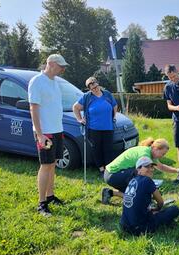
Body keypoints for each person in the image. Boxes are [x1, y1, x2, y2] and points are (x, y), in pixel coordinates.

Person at [28, 54, 69, 216]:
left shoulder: (55, 82)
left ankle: (50, 196)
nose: (63, 69)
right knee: (45, 165)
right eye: (60, 66)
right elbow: (34, 108)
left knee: (53, 164)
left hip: (57, 130)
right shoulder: (37, 81)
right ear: (51, 64)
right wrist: (39, 134)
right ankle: (41, 203)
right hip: (45, 132)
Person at [102, 137, 179, 204]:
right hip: (113, 175)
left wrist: (178, 171)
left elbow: (161, 167)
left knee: (138, 195)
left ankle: (109, 192)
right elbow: (145, 178)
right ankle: (115, 192)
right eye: (162, 154)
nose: (162, 156)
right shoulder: (145, 155)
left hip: (117, 174)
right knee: (140, 188)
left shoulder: (150, 153)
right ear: (155, 149)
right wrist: (154, 193)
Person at [120, 156, 179, 235]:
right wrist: (157, 209)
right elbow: (160, 202)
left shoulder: (132, 181)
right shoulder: (147, 180)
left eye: (152, 167)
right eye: (147, 167)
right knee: (174, 209)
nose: (151, 169)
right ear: (138, 169)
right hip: (139, 228)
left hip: (124, 225)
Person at [73, 77, 117, 176]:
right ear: (89, 89)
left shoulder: (107, 94)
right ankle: (101, 169)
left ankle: (109, 170)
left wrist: (114, 117)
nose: (95, 89)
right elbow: (75, 108)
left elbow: (114, 105)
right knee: (97, 149)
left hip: (108, 127)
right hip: (93, 129)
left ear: (98, 84)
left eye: (96, 87)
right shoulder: (87, 97)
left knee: (108, 149)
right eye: (92, 88)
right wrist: (80, 119)